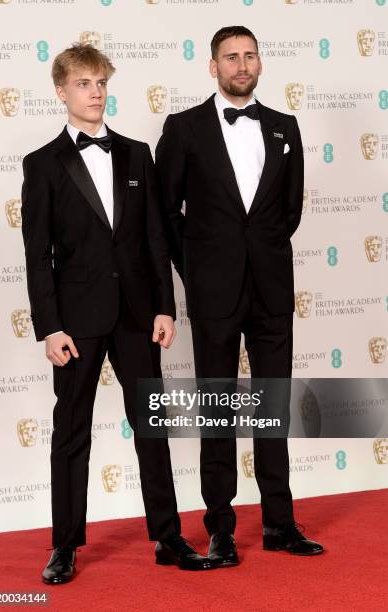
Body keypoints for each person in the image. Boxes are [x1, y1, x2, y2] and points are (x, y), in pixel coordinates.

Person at [21, 43, 213, 584]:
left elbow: (155, 236)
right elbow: (37, 254)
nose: (95, 92)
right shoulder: (42, 164)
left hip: (136, 315)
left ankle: (168, 537)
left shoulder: (136, 154)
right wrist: (50, 325)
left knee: (152, 426)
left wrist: (164, 308)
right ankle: (64, 546)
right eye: (83, 83)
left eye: (101, 82)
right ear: (61, 91)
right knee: (71, 433)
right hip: (75, 321)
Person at [156, 26, 324, 567]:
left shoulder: (285, 127)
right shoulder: (183, 129)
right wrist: (197, 270)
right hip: (214, 291)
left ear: (260, 62)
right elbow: (165, 216)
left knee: (273, 406)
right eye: (231, 57)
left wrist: (263, 253)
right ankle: (220, 528)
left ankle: (279, 522)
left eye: (250, 55)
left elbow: (289, 211)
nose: (242, 64)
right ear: (213, 66)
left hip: (272, 287)